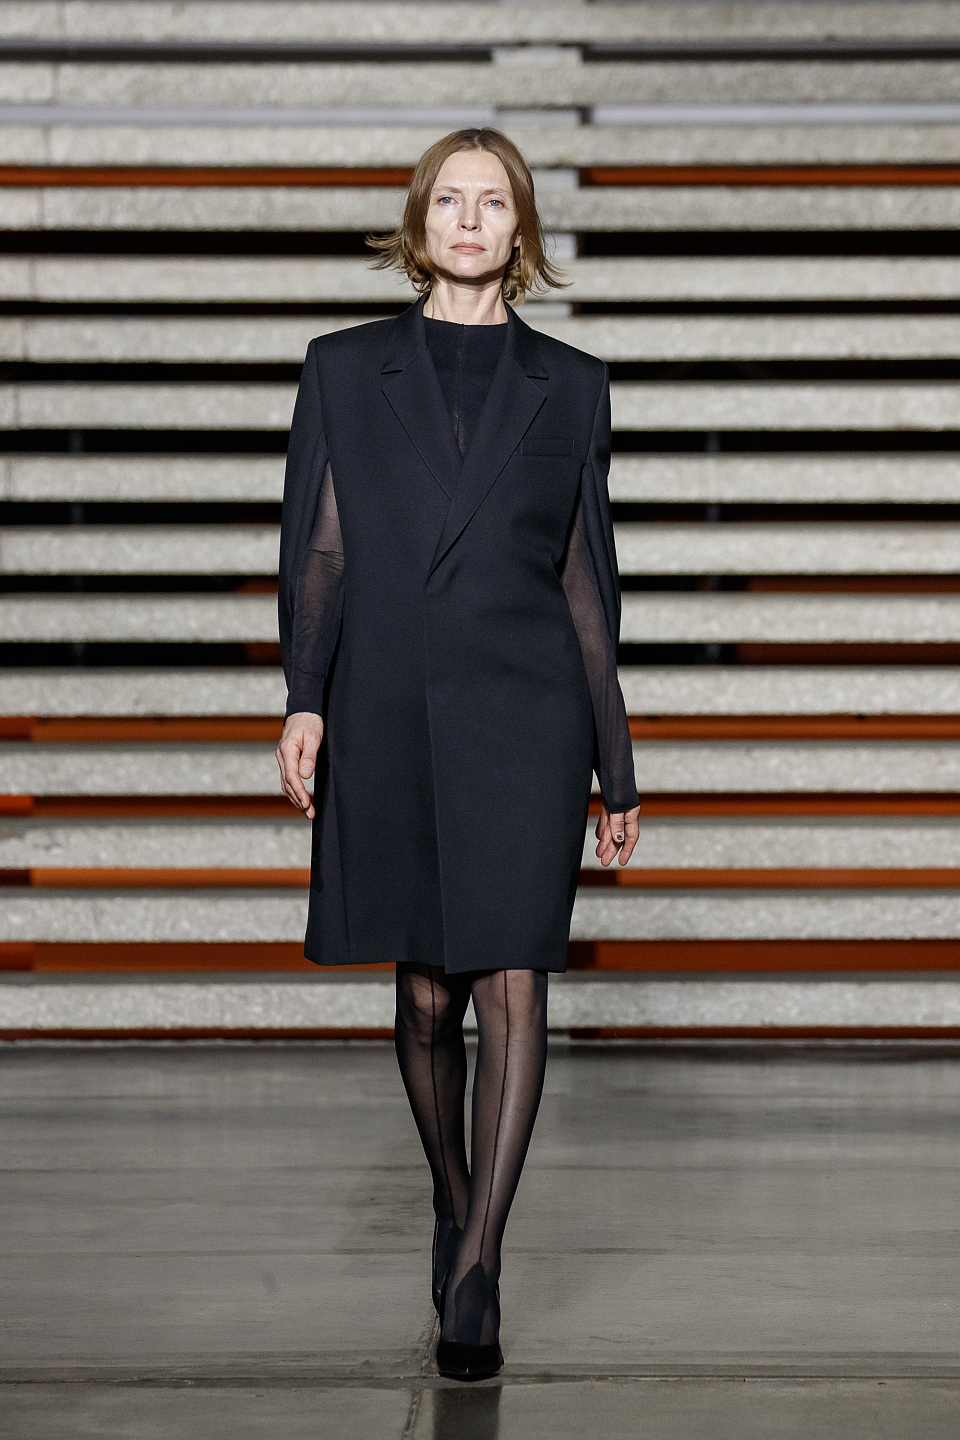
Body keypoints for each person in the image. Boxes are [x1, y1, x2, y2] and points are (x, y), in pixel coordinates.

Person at [275, 128, 641, 1382]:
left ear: (520, 228)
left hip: (527, 717)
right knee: (427, 989)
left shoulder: (572, 384)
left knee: (512, 979)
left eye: (492, 202)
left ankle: (479, 1264)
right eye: (449, 200)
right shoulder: (344, 367)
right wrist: (305, 697)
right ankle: (450, 1194)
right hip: (387, 703)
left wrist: (615, 762)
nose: (469, 219)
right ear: (420, 221)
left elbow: (586, 581)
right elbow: (321, 548)